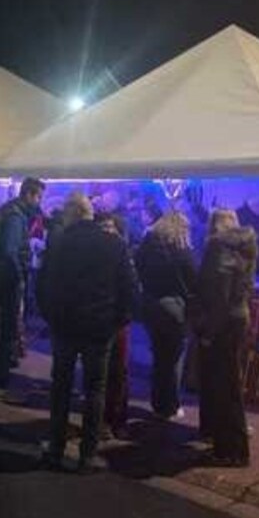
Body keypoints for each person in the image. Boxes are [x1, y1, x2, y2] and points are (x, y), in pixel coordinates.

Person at [39, 193, 137, 473]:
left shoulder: (59, 243)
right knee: (95, 390)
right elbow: (129, 288)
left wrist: (51, 316)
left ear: (71, 214)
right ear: (90, 214)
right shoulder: (114, 244)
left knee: (61, 388)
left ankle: (56, 449)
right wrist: (117, 321)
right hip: (99, 327)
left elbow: (43, 285)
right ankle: (88, 454)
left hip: (65, 326)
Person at [196, 208, 257, 468]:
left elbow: (219, 295)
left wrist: (209, 331)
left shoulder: (218, 248)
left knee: (224, 386)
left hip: (223, 324)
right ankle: (227, 442)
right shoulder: (245, 247)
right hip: (238, 317)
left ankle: (231, 450)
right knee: (229, 383)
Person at [0, 177, 45, 399]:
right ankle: (1, 384)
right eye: (38, 197)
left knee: (6, 328)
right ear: (28, 194)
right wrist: (19, 275)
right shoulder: (15, 217)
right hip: (9, 280)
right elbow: (10, 251)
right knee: (8, 330)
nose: (39, 202)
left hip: (3, 277)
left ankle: (1, 378)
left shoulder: (11, 212)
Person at [135, 211, 197, 420]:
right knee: (173, 360)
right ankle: (169, 406)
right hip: (175, 309)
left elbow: (138, 269)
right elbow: (193, 283)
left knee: (159, 355)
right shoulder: (183, 252)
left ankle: (157, 401)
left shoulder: (147, 247)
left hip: (150, 305)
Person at [96, 211, 133, 440]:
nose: (107, 231)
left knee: (118, 372)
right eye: (103, 227)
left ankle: (116, 418)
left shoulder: (123, 253)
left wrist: (124, 316)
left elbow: (130, 288)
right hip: (98, 319)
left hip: (117, 321)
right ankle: (100, 420)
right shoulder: (93, 253)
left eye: (110, 227)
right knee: (100, 373)